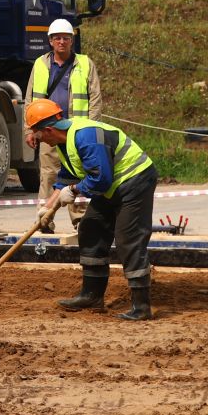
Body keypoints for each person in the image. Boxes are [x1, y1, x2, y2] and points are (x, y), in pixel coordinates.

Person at [25, 98, 158, 321]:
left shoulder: (86, 138)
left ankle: (141, 307)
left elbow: (101, 180)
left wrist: (75, 190)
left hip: (135, 181)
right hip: (111, 186)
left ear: (48, 130)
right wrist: (48, 209)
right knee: (90, 229)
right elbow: (66, 177)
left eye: (38, 135)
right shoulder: (64, 142)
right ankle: (92, 295)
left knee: (128, 239)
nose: (39, 141)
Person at [26, 18, 100, 231]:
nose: (61, 42)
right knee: (48, 176)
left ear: (72, 41)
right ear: (50, 41)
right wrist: (30, 130)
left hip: (76, 133)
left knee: (77, 176)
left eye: (66, 38)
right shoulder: (40, 65)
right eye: (57, 38)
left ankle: (80, 222)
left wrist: (91, 129)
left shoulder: (85, 64)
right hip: (48, 131)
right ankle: (45, 220)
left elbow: (95, 98)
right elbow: (30, 100)